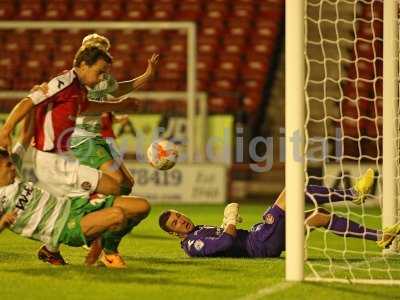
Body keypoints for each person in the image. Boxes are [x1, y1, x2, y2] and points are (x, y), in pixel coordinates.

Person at [0, 42, 143, 262]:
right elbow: (29, 101)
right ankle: (103, 244)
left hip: (62, 156)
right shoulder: (63, 82)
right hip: (52, 161)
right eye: (99, 72)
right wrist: (6, 130)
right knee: (117, 185)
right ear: (83, 65)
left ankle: (54, 248)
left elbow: (86, 107)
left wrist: (119, 105)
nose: (102, 78)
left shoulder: (78, 89)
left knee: (81, 199)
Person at [0, 116, 150, 268]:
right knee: (117, 215)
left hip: (73, 204)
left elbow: (25, 135)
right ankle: (107, 253)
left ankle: (100, 245)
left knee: (142, 206)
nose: (13, 167)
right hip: (62, 226)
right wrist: (3, 223)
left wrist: (36, 103)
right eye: (8, 165)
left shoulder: (14, 169)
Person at [158, 171, 400, 258]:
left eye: (179, 216)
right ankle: (352, 193)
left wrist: (228, 223)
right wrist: (230, 220)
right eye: (175, 223)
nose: (182, 220)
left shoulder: (198, 229)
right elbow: (224, 243)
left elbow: (226, 238)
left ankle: (379, 236)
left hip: (261, 239)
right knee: (295, 189)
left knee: (319, 215)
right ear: (173, 233)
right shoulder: (191, 244)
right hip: (259, 244)